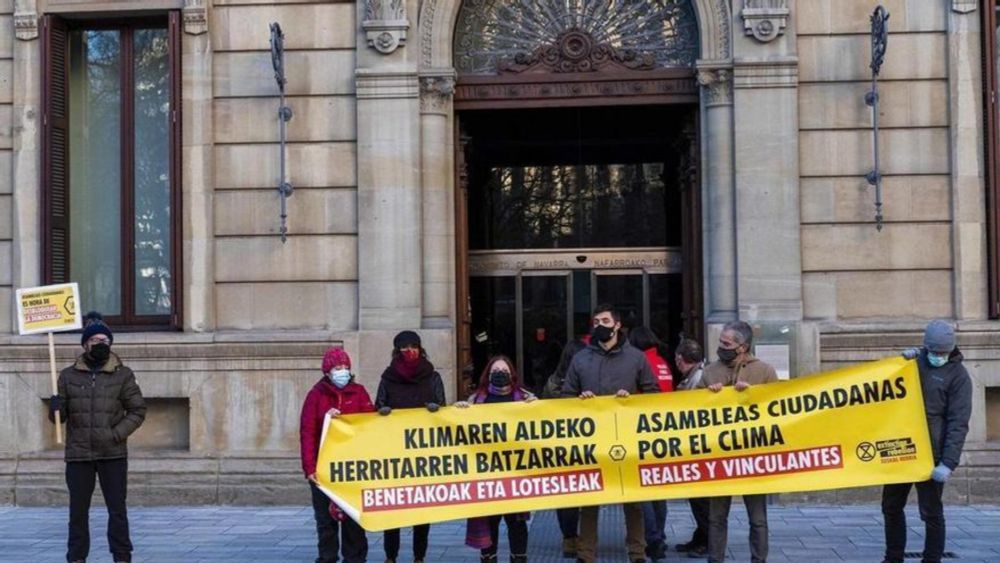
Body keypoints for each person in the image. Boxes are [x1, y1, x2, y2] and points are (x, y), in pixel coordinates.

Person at [562, 304, 660, 563]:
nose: (599, 325)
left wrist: (633, 399)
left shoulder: (636, 358)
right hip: (592, 441)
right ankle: (586, 554)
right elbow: (566, 397)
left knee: (633, 500)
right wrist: (580, 400)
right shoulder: (581, 359)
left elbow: (653, 395)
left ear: (617, 325)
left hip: (627, 438)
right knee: (590, 500)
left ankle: (637, 552)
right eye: (595, 321)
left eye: (605, 321)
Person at [48, 312, 146, 563]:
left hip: (112, 454)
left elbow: (137, 410)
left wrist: (115, 435)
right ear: (85, 344)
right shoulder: (67, 376)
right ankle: (77, 557)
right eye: (96, 340)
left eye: (106, 340)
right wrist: (55, 408)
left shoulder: (123, 375)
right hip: (79, 455)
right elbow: (60, 420)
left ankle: (122, 556)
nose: (101, 343)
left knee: (117, 510)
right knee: (78, 512)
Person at [883, 320, 972, 563]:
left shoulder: (958, 376)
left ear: (950, 349)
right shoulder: (915, 363)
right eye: (933, 352)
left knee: (931, 513)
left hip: (931, 456)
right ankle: (893, 558)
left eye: (942, 352)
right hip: (902, 448)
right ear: (926, 347)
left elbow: (958, 422)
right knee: (890, 507)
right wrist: (899, 363)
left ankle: (932, 560)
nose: (937, 356)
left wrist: (948, 463)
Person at [698, 321, 777, 563]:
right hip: (720, 456)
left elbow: (777, 409)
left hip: (753, 455)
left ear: (742, 347)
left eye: (726, 343)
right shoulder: (711, 371)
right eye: (721, 341)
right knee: (717, 516)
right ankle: (716, 558)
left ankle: (758, 559)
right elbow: (692, 410)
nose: (721, 346)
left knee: (758, 518)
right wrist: (706, 396)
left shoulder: (764, 371)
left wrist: (753, 395)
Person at [375, 330, 446, 563]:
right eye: (405, 348)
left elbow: (443, 409)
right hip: (394, 454)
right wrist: (382, 412)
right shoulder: (387, 378)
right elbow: (378, 407)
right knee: (392, 509)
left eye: (414, 346)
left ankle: (419, 556)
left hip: (422, 454)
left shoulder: (432, 376)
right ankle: (391, 556)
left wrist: (436, 409)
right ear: (397, 351)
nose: (410, 351)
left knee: (421, 509)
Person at [456, 355, 536, 562]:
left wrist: (537, 409)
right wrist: (460, 412)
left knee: (516, 523)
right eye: (495, 372)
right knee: (489, 523)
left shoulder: (526, 398)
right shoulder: (476, 400)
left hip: (516, 474)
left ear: (512, 374)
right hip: (487, 474)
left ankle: (518, 558)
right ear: (488, 375)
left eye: (504, 371)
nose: (500, 375)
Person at [299, 347, 374, 563]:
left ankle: (356, 559)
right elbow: (307, 433)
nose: (342, 371)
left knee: (353, 520)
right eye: (337, 367)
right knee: (326, 522)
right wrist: (309, 468)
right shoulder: (316, 395)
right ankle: (327, 558)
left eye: (345, 367)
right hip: (323, 470)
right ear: (327, 371)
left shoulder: (359, 392)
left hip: (352, 469)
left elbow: (369, 424)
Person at [629, 326, 674, 561]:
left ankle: (652, 538)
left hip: (643, 433)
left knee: (644, 491)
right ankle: (660, 536)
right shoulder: (663, 363)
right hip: (663, 435)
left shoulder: (640, 364)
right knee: (658, 490)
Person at [541, 339, 587, 558]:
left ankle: (570, 538)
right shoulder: (579, 382)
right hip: (578, 447)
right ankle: (576, 538)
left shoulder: (553, 382)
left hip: (564, 449)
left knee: (566, 495)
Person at [673, 338, 710, 557]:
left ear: (680, 359)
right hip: (696, 447)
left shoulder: (697, 378)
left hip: (698, 447)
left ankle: (707, 540)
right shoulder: (696, 374)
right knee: (697, 499)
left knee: (701, 499)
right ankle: (701, 536)